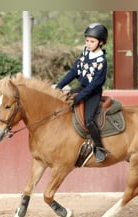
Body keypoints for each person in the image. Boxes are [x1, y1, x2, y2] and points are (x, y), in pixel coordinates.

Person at [56, 23, 108, 163]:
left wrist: (79, 97)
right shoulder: (85, 52)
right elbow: (74, 71)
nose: (89, 44)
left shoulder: (101, 61)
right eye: (87, 41)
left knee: (89, 119)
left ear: (101, 42)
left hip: (93, 93)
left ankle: (100, 148)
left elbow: (93, 85)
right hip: (82, 88)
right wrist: (59, 86)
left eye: (92, 41)